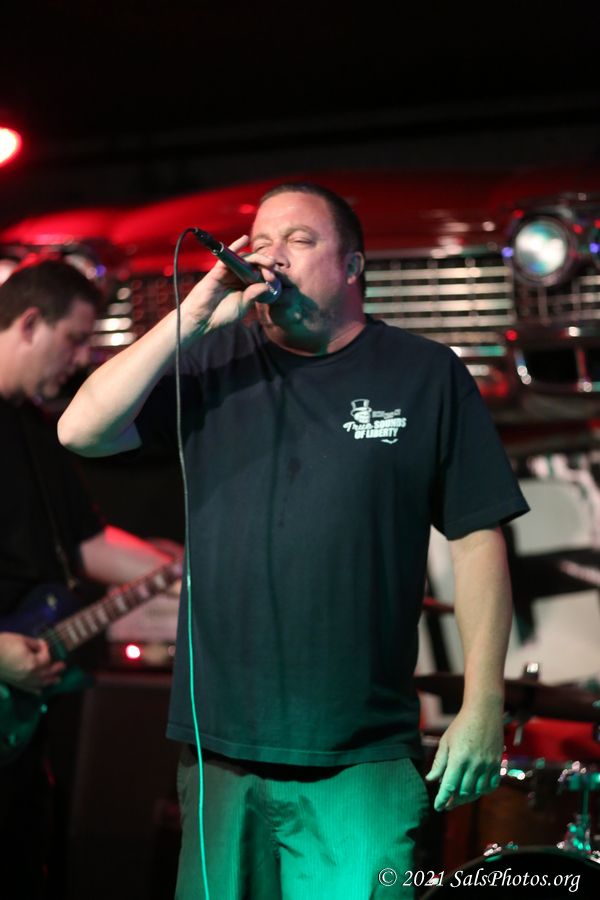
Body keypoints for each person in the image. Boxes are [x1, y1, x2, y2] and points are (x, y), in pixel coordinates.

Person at [59, 183, 529, 899]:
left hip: (360, 754)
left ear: (353, 265)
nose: (272, 255)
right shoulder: (211, 363)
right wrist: (192, 317)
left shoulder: (425, 374)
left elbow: (476, 539)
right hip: (220, 753)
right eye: (261, 241)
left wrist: (483, 702)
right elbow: (80, 431)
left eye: (300, 240)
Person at [0, 259, 175, 900]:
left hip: (24, 717)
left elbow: (88, 543)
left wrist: (188, 571)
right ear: (28, 323)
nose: (81, 360)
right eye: (74, 339)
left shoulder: (36, 429)